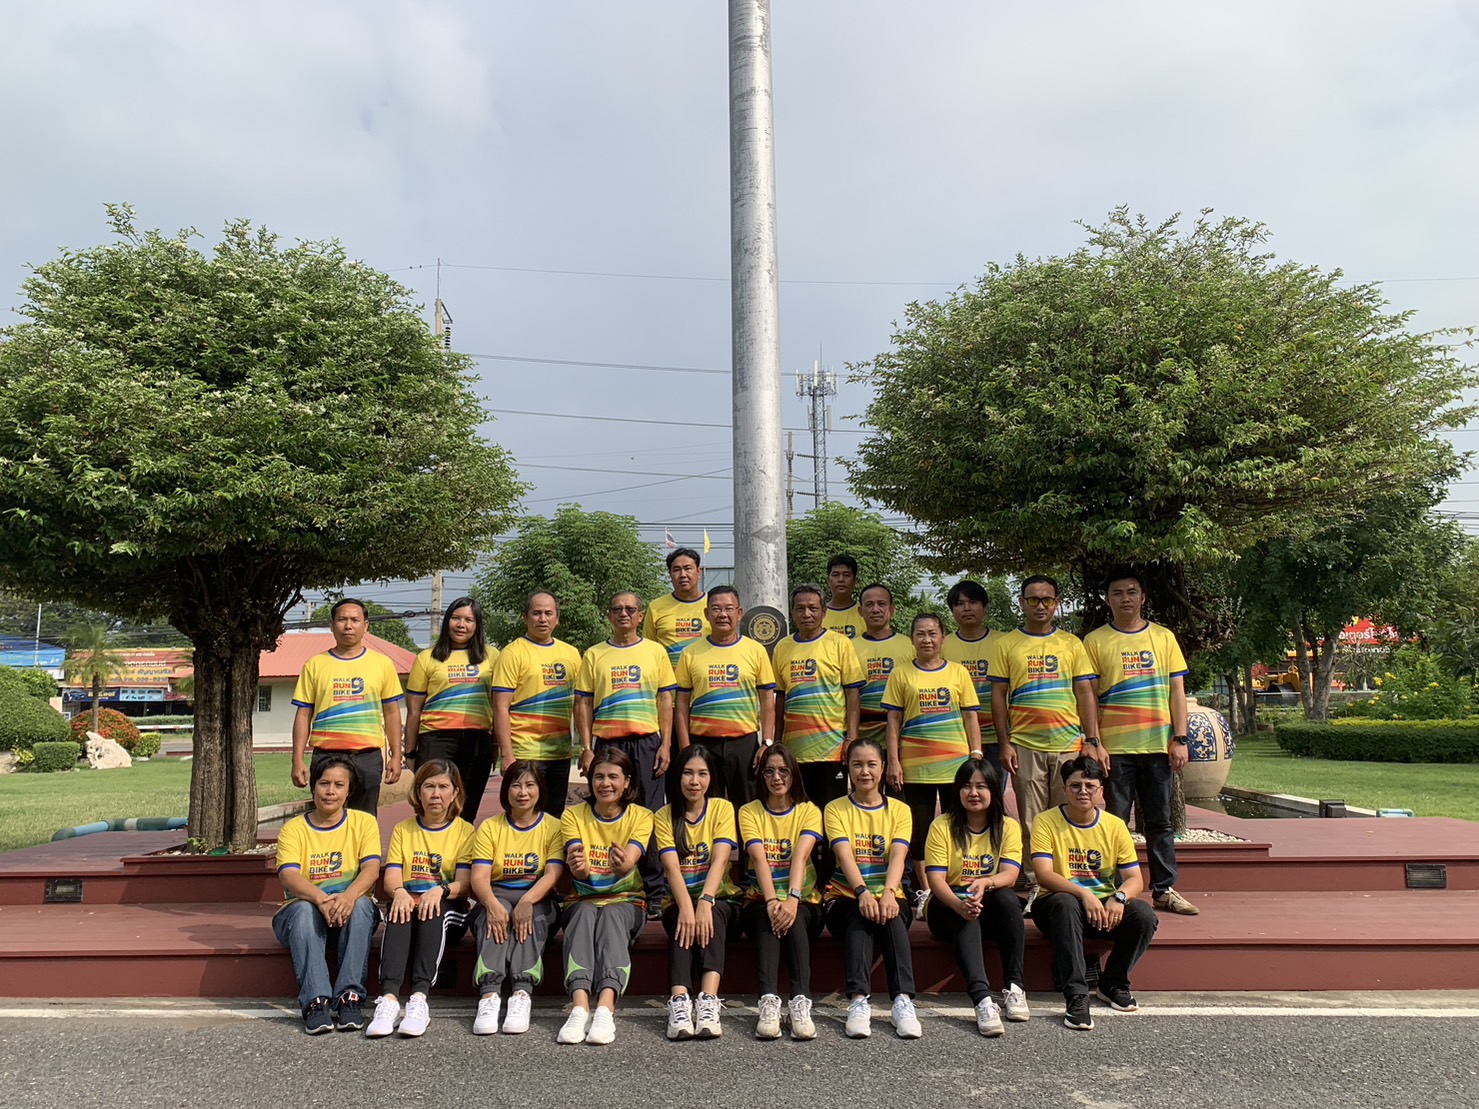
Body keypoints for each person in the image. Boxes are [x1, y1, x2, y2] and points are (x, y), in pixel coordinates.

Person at [1084, 568, 1199, 916]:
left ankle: (1164, 889)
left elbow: (1177, 691)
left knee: (1160, 822)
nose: (1125, 599)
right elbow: (1088, 696)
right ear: (1107, 600)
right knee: (1114, 822)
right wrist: (1094, 741)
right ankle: (1112, 889)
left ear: (1143, 598)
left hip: (1157, 747)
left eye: (1132, 592)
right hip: (1115, 750)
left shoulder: (1163, 638)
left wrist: (1180, 738)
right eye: (1118, 593)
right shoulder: (1095, 641)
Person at [1030, 755, 1158, 1031]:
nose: (1083, 792)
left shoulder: (1115, 826)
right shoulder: (1046, 821)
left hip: (1103, 910)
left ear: (1101, 790)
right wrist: (1084, 894)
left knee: (1143, 914)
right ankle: (1076, 996)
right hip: (1056, 907)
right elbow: (1043, 874)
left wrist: (1119, 898)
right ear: (1064, 789)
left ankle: (1113, 982)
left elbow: (1135, 879)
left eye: (1090, 786)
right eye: (1075, 786)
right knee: (1065, 903)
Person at [988, 575, 1100, 887]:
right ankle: (1035, 881)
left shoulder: (1071, 644)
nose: (1040, 606)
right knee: (1031, 819)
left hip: (1067, 744)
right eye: (1033, 600)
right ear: (1022, 603)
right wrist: (1005, 743)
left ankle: (1064, 880)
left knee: (1066, 813)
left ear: (1056, 603)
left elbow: (1085, 693)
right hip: (1025, 744)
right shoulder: (1006, 644)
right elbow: (998, 696)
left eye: (1047, 600)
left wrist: (1092, 740)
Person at [575, 590, 675, 912]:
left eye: (630, 609)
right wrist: (586, 747)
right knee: (608, 810)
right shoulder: (594, 654)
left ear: (640, 616)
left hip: (646, 743)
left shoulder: (655, 652)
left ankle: (654, 892)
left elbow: (665, 699)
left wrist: (666, 744)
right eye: (617, 609)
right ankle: (610, 883)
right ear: (608, 615)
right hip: (608, 744)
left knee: (649, 814)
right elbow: (583, 702)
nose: (623, 614)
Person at [366, 759, 475, 1037]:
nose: (435, 794)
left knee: (432, 910)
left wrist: (441, 890)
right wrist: (400, 892)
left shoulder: (464, 830)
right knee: (399, 909)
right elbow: (392, 879)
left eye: (443, 787)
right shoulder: (404, 829)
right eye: (429, 786)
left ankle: (418, 999)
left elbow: (465, 884)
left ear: (455, 792)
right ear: (418, 792)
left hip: (449, 907)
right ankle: (389, 999)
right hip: (411, 904)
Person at [272, 756, 382, 1033]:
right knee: (303, 909)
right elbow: (289, 876)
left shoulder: (364, 823)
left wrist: (347, 897)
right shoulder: (294, 829)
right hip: (303, 915)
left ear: (349, 791)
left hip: (350, 912)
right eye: (324, 783)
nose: (330, 791)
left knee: (361, 905)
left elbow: (371, 869)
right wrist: (321, 899)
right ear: (313, 787)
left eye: (338, 785)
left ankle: (349, 998)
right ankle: (316, 1002)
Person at [556, 747, 655, 1046]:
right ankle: (579, 1007)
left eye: (613, 777)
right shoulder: (573, 816)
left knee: (611, 914)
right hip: (582, 899)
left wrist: (621, 865)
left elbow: (628, 863)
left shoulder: (641, 816)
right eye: (598, 777)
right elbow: (579, 869)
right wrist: (580, 869)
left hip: (626, 900)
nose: (605, 783)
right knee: (584, 914)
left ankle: (605, 1007)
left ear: (627, 782)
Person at [883, 613, 983, 911]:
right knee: (920, 830)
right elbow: (893, 721)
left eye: (932, 634)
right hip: (916, 767)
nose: (927, 640)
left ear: (943, 638)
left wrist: (976, 754)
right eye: (920, 634)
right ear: (912, 639)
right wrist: (893, 761)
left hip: (956, 766)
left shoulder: (958, 672)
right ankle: (926, 890)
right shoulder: (901, 674)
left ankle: (957, 883)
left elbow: (970, 716)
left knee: (959, 826)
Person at [823, 737, 921, 1040]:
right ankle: (858, 1001)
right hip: (845, 897)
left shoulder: (900, 810)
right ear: (848, 768)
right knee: (859, 913)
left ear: (883, 767)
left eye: (871, 764)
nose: (864, 772)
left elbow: (898, 856)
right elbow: (844, 855)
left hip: (890, 895)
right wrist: (863, 892)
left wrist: (889, 893)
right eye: (857, 765)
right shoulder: (835, 808)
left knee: (892, 915)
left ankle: (902, 1000)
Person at [922, 758, 1029, 1035]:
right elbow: (936, 880)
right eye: (967, 786)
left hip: (987, 901)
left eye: (981, 786)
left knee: (1007, 900)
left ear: (993, 790)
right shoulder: (942, 826)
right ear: (957, 790)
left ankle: (1015, 986)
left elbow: (1010, 874)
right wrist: (959, 904)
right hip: (946, 906)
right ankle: (982, 999)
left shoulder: (1007, 826)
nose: (973, 793)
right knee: (967, 914)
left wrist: (986, 881)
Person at [468, 760, 564, 1036]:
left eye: (530, 785)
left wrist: (527, 901)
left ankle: (522, 993)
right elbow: (479, 878)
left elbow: (553, 873)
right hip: (497, 893)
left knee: (531, 919)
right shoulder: (490, 826)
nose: (523, 792)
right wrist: (492, 904)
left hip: (538, 896)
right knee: (493, 918)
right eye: (516, 785)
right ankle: (489, 994)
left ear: (540, 790)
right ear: (506, 790)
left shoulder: (553, 826)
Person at [654, 745, 742, 1040]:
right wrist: (687, 908)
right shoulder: (664, 816)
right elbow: (672, 869)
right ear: (677, 777)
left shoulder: (722, 808)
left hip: (720, 898)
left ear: (711, 777)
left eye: (702, 774)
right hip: (679, 900)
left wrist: (704, 900)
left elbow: (720, 860)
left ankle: (708, 1001)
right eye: (688, 773)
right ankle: (679, 1001)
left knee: (712, 915)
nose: (695, 781)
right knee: (682, 920)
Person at [739, 743, 823, 1041]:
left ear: (794, 774)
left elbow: (800, 856)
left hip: (804, 900)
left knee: (794, 918)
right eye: (769, 771)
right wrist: (773, 900)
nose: (777, 777)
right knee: (767, 915)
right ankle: (768, 1002)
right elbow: (759, 858)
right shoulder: (749, 811)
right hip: (761, 900)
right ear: (761, 776)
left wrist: (791, 899)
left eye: (784, 771)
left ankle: (800, 1002)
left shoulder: (809, 811)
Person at [290, 598, 405, 814]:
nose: (348, 625)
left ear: (366, 626)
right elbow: (303, 714)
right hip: (326, 755)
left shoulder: (382, 664)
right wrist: (297, 759)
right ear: (332, 625)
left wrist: (396, 756)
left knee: (365, 820)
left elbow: (392, 713)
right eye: (342, 619)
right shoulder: (315, 665)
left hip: (367, 758)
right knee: (326, 819)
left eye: (355, 620)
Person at [674, 585, 776, 806]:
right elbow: (681, 704)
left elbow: (768, 700)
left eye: (729, 609)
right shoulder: (690, 653)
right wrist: (685, 747)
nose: (722, 614)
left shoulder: (756, 650)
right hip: (703, 743)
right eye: (716, 609)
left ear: (739, 614)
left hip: (744, 743)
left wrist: (766, 742)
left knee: (747, 806)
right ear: (706, 614)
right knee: (705, 806)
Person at [404, 597, 499, 822]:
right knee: (433, 809)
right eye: (456, 618)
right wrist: (410, 752)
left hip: (477, 742)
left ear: (477, 625)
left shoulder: (493, 656)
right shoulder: (427, 658)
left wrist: (496, 745)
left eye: (468, 620)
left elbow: (498, 706)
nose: (461, 625)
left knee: (466, 811)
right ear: (447, 621)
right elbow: (414, 711)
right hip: (435, 740)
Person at [491, 591, 582, 818]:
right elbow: (501, 707)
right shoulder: (512, 653)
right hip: (525, 753)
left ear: (557, 618)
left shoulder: (571, 654)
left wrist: (586, 748)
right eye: (536, 613)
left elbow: (581, 704)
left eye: (548, 613)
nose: (543, 619)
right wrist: (507, 754)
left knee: (554, 818)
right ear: (525, 617)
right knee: (523, 815)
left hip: (560, 753)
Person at [773, 584, 864, 810]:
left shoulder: (840, 643)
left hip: (832, 749)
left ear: (824, 611)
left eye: (813, 608)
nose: (806, 614)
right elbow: (780, 698)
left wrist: (851, 737)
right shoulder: (782, 647)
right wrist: (777, 741)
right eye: (800, 608)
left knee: (831, 812)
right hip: (795, 751)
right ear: (792, 612)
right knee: (800, 813)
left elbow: (852, 693)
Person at [943, 579, 1001, 771]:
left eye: (973, 602)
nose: (967, 608)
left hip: (997, 737)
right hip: (957, 737)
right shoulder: (942, 646)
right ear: (952, 610)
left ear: (985, 607)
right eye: (959, 604)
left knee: (992, 789)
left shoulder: (1004, 643)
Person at [852, 583, 914, 748]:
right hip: (863, 740)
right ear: (860, 611)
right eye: (869, 605)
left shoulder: (910, 645)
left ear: (892, 610)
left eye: (882, 604)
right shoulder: (848, 647)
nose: (875, 610)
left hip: (904, 737)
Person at [644, 547, 710, 666]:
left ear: (698, 572)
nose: (683, 575)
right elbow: (648, 649)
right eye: (676, 570)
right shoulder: (656, 607)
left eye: (688, 568)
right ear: (670, 575)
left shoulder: (714, 605)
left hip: (705, 675)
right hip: (669, 677)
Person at [822, 554, 861, 638]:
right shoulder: (819, 614)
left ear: (855, 581)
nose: (841, 579)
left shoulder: (864, 613)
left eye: (846, 575)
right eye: (835, 575)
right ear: (828, 581)